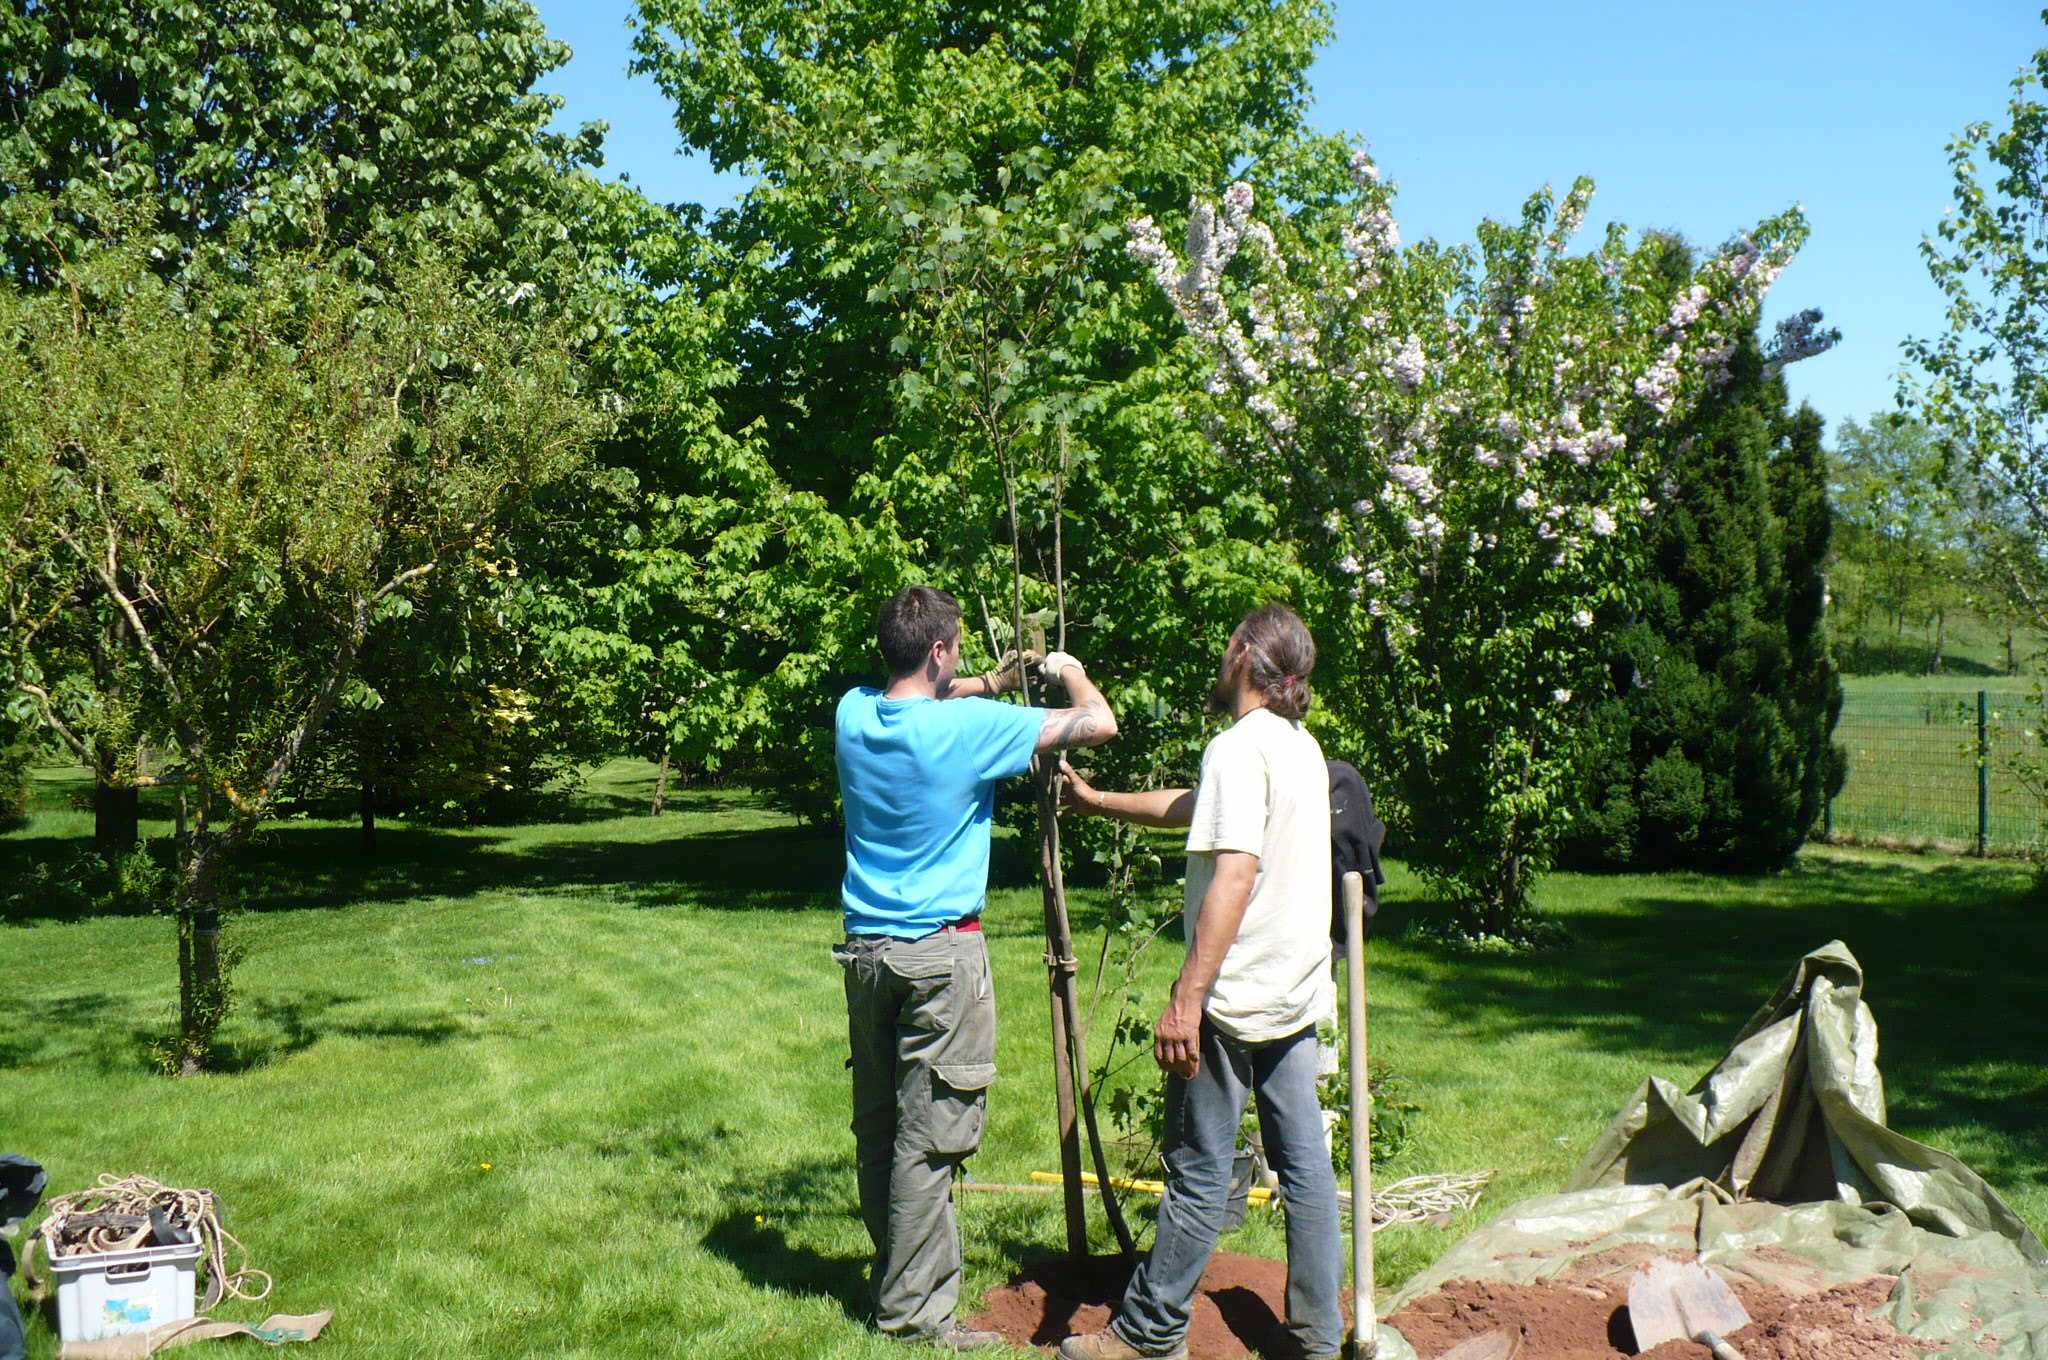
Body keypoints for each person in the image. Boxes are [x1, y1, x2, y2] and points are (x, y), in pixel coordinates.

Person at [834, 585, 1118, 1350]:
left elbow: (930, 694)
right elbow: (1099, 724)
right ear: (936, 652)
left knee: (881, 1128)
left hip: (867, 953)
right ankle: (915, 1315)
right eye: (953, 648)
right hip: (940, 955)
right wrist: (1068, 670)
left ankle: (893, 1276)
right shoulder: (970, 732)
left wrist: (990, 679)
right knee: (932, 1141)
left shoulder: (854, 714)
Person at [1057, 603, 1341, 1360]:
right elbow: (1200, 812)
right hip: (1295, 991)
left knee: (1198, 1164)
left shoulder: (1239, 748)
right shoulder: (1297, 747)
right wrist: (1097, 803)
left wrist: (1188, 997)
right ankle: (1317, 1336)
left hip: (1236, 998)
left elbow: (1235, 871)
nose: (1221, 658)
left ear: (1246, 655)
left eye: (1227, 647)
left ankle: (1151, 1334)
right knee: (1304, 1164)